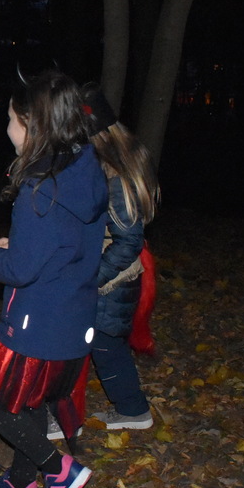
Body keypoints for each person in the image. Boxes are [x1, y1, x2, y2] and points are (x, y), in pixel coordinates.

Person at [0, 70, 109, 488]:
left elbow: (22, 270)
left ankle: (59, 470)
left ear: (31, 125)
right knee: (26, 401)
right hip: (73, 316)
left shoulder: (39, 188)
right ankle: (22, 484)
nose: (5, 126)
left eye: (10, 118)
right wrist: (21, 245)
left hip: (38, 321)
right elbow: (63, 241)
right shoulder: (81, 168)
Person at [82, 87, 160, 430]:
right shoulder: (116, 165)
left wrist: (93, 279)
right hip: (114, 277)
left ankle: (133, 410)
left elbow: (128, 240)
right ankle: (131, 409)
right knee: (105, 346)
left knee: (104, 345)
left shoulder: (115, 176)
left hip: (113, 280)